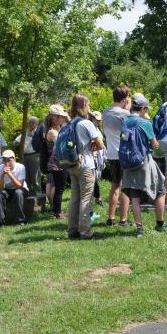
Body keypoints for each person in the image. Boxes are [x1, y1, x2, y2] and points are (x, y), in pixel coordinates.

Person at [121, 95, 167, 238]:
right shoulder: (144, 123)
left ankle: (139, 229)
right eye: (145, 109)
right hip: (144, 162)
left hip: (128, 163)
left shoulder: (124, 121)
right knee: (161, 189)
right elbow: (154, 144)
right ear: (142, 108)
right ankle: (160, 224)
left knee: (135, 196)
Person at [67, 94, 105, 240]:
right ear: (83, 105)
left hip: (73, 164)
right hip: (86, 165)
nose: (89, 108)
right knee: (86, 199)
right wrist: (92, 144)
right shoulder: (86, 123)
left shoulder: (70, 123)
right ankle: (86, 232)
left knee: (75, 198)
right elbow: (100, 145)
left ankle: (72, 230)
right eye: (88, 105)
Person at [102, 85, 132, 227]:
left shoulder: (105, 112)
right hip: (124, 154)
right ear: (125, 99)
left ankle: (111, 218)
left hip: (112, 154)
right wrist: (127, 109)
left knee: (115, 186)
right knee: (125, 187)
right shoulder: (125, 114)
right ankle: (123, 219)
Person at [45, 105, 70, 219]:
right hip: (57, 164)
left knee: (60, 187)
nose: (63, 119)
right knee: (59, 188)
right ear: (54, 118)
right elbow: (61, 145)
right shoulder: (52, 132)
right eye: (61, 117)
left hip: (61, 162)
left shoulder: (59, 129)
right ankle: (57, 212)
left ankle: (56, 210)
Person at [0, 150, 29, 227]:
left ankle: (20, 221)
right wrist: (2, 176)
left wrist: (10, 174)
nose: (6, 162)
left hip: (21, 188)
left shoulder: (20, 167)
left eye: (9, 160)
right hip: (7, 190)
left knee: (18, 192)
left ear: (14, 159)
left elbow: (19, 186)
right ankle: (0, 222)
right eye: (4, 160)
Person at [13, 116, 41, 196]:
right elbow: (15, 142)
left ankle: (38, 196)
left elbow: (44, 142)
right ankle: (28, 195)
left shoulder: (39, 132)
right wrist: (18, 142)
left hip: (34, 156)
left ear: (37, 124)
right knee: (26, 177)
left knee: (35, 178)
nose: (31, 124)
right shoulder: (25, 132)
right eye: (30, 123)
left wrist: (35, 137)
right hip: (24, 157)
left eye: (33, 123)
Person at [89, 111, 106, 207]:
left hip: (100, 154)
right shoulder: (90, 128)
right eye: (97, 120)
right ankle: (96, 198)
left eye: (99, 120)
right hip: (94, 154)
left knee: (98, 176)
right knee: (94, 177)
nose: (98, 121)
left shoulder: (97, 128)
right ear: (92, 118)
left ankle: (96, 198)